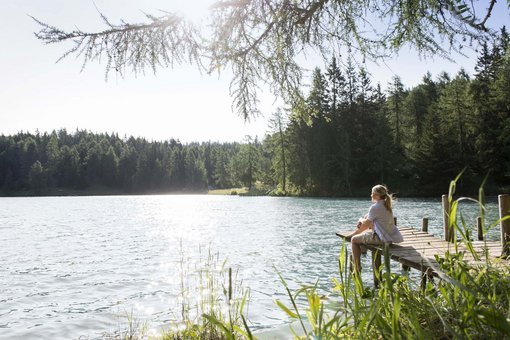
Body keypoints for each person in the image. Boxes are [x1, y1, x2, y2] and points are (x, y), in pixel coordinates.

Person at [347, 184, 403, 273]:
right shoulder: (386, 205)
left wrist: (360, 219)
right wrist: (364, 217)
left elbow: (367, 222)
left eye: (372, 193)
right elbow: (370, 217)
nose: (371, 195)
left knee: (353, 240)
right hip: (389, 237)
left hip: (381, 238)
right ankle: (361, 244)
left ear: (377, 195)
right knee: (366, 226)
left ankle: (357, 268)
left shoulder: (375, 207)